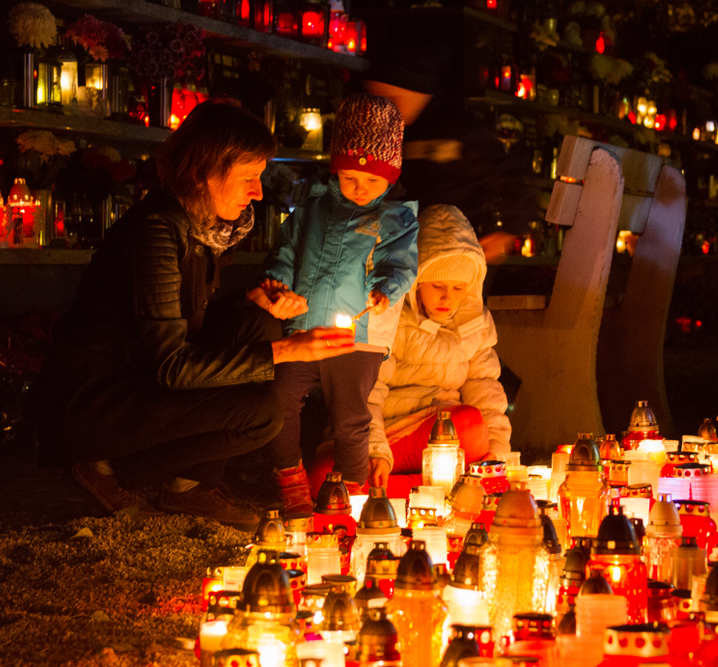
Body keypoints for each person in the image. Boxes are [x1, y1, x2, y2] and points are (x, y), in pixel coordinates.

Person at [34, 101, 355, 531]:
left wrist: (249, 299)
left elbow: (175, 319)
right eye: (248, 178)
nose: (258, 191)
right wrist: (285, 350)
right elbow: (170, 365)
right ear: (206, 173)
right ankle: (107, 466)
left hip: (136, 374)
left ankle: (189, 485)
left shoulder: (198, 223)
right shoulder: (156, 233)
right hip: (97, 401)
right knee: (261, 413)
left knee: (257, 321)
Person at [260, 93, 419, 515]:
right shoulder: (313, 208)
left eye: (371, 182)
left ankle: (353, 495)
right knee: (278, 401)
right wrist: (278, 278)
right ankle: (289, 478)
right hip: (304, 329)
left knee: (351, 418)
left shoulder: (396, 218)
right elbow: (288, 249)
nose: (360, 188)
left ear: (391, 178)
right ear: (335, 170)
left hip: (359, 336)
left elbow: (400, 265)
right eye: (350, 178)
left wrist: (386, 289)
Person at [309, 204, 512, 498]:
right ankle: (441, 492)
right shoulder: (390, 318)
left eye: (459, 288)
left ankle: (396, 494)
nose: (447, 297)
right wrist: (376, 450)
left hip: (442, 434)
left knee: (471, 426)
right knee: (325, 479)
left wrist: (496, 458)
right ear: (416, 280)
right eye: (438, 285)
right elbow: (368, 392)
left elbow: (486, 390)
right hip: (385, 433)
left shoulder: (475, 324)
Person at [362, 25, 537, 264]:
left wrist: (510, 229)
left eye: (393, 99)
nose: (384, 110)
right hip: (400, 253)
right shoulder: (381, 132)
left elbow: (513, 173)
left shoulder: (459, 128)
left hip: (458, 253)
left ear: (420, 92)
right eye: (377, 100)